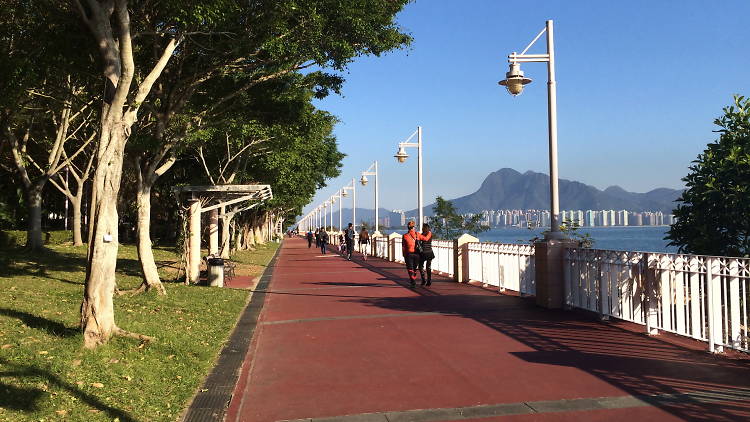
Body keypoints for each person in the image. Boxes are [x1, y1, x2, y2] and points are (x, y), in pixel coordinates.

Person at [401, 221, 421, 288]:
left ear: (408, 227)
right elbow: (426, 238)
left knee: (410, 268)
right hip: (417, 254)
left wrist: (403, 254)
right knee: (415, 268)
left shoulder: (405, 236)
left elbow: (403, 246)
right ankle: (413, 279)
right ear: (414, 227)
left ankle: (413, 282)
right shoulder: (418, 234)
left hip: (409, 254)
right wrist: (429, 233)